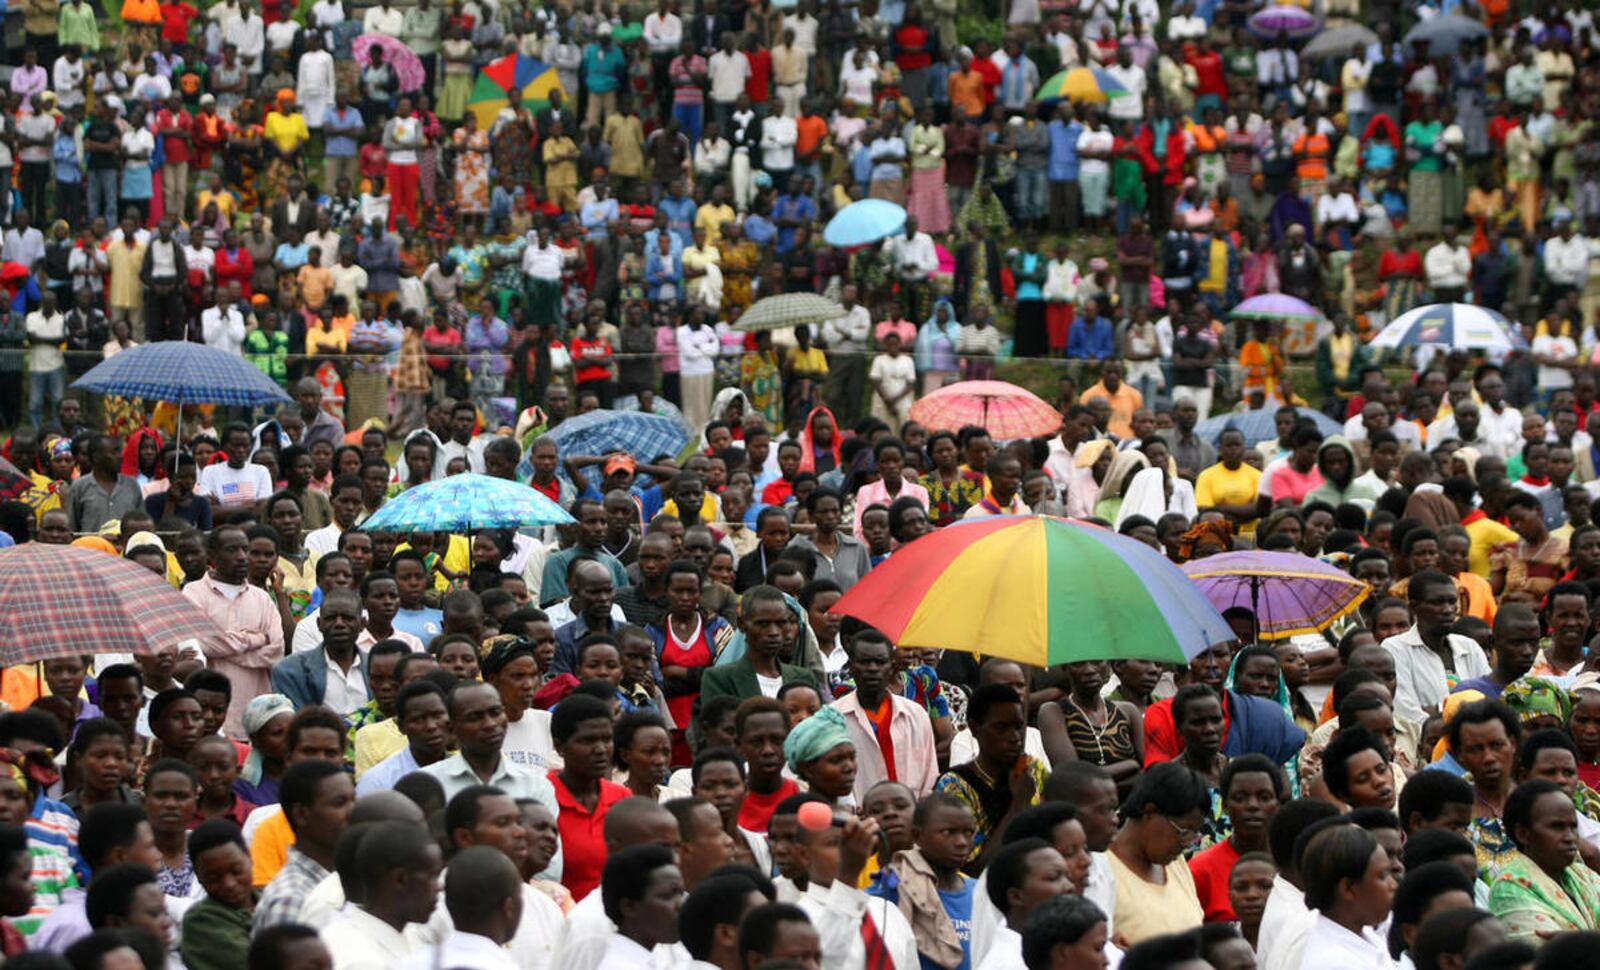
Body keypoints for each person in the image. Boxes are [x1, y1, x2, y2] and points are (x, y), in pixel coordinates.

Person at [1489, 779, 1600, 943]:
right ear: (1523, 834)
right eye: (1557, 827)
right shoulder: (1509, 889)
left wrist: (1580, 943)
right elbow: (1549, 956)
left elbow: (1572, 951)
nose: (1570, 837)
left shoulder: (1585, 875)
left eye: (1573, 826)